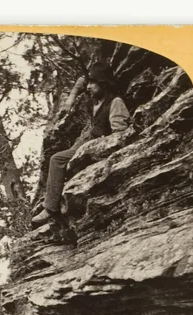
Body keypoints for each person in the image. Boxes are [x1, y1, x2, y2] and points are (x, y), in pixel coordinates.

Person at [32, 62, 132, 227]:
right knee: (67, 156)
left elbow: (120, 134)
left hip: (96, 145)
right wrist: (71, 97)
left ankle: (50, 209)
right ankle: (55, 200)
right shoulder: (97, 98)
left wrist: (98, 145)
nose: (88, 87)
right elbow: (81, 81)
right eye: (89, 83)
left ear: (104, 83)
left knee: (57, 159)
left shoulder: (115, 102)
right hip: (87, 140)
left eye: (93, 83)